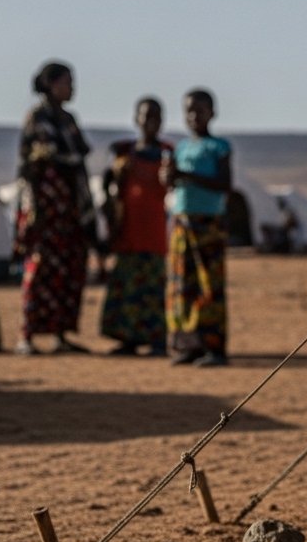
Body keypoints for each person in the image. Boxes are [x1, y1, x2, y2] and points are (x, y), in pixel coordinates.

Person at [12, 60, 95, 356]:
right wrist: (34, 209)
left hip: (70, 209)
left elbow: (78, 159)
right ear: (50, 84)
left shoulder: (69, 120)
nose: (71, 88)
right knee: (39, 267)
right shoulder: (37, 118)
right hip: (45, 208)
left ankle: (60, 333)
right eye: (66, 82)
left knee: (69, 268)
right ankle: (27, 335)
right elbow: (32, 165)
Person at [161, 88, 232, 367]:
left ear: (212, 113)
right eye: (189, 111)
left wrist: (186, 175)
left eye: (200, 110)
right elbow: (172, 184)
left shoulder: (219, 147)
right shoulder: (180, 148)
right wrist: (168, 177)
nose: (193, 116)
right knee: (183, 286)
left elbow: (224, 184)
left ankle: (214, 347)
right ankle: (189, 345)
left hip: (208, 223)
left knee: (209, 285)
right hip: (182, 221)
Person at [99, 97, 173, 356]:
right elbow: (110, 188)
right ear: (136, 119)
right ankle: (128, 339)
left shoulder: (167, 154)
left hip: (153, 231)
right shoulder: (123, 153)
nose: (150, 122)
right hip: (128, 229)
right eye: (145, 116)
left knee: (153, 287)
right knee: (127, 286)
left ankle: (156, 339)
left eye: (155, 117)